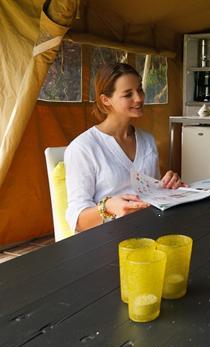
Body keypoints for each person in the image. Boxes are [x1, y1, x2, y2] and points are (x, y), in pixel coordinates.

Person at [65, 63, 183, 233]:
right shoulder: (83, 148)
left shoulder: (147, 140)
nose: (139, 98)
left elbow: (153, 195)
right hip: (105, 243)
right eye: (128, 94)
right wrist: (108, 207)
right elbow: (78, 221)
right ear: (106, 100)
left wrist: (168, 185)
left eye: (140, 90)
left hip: (149, 231)